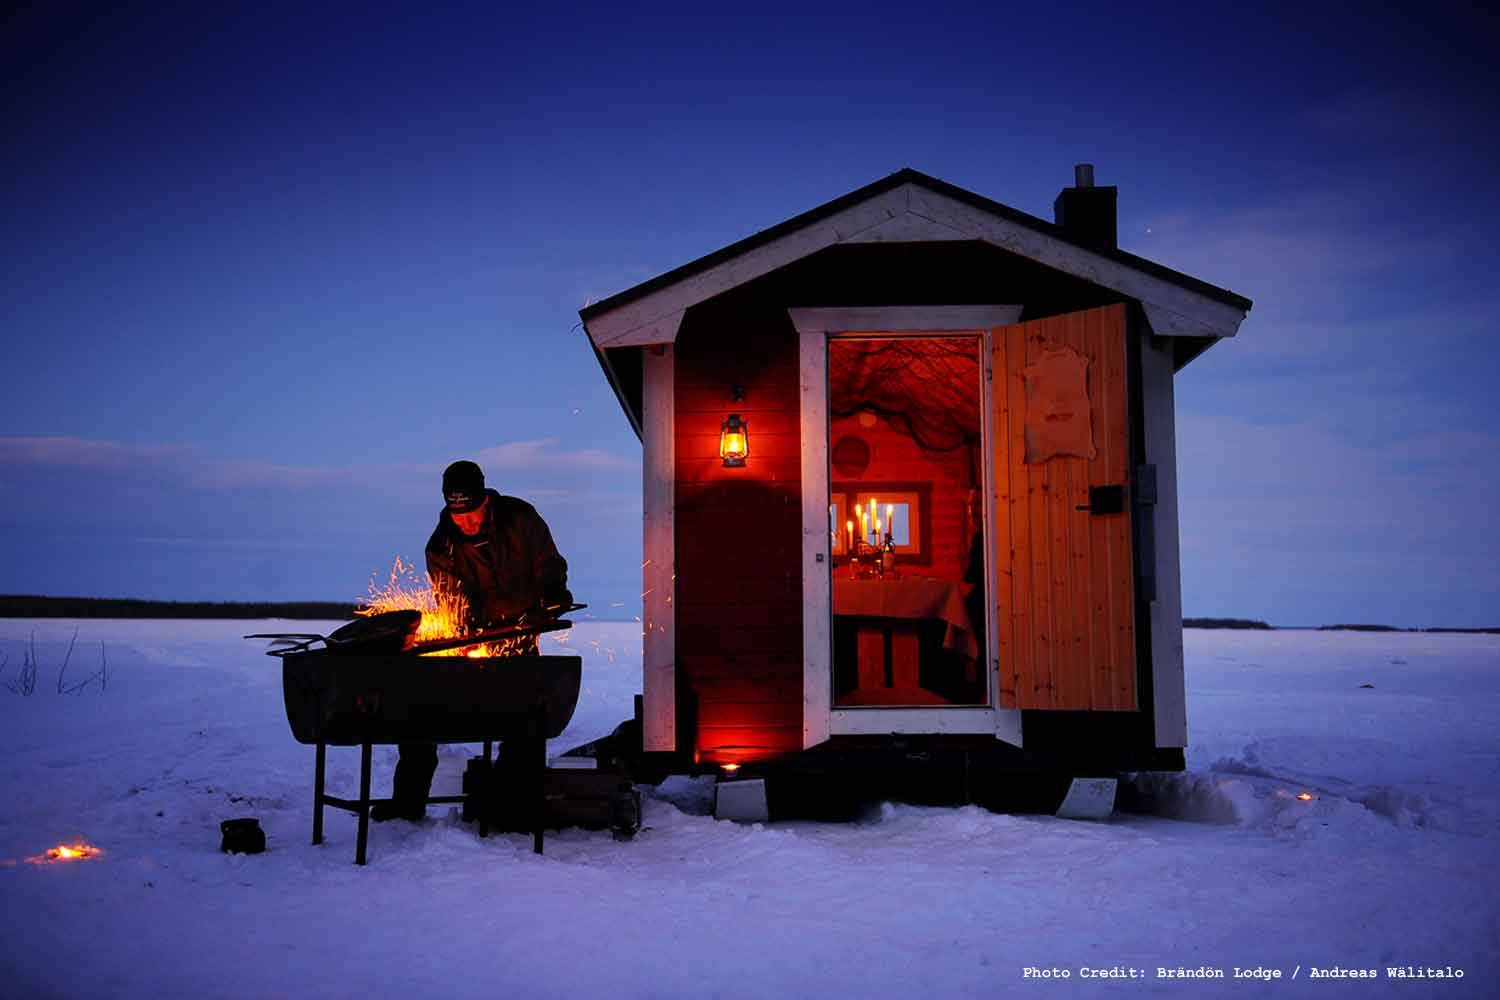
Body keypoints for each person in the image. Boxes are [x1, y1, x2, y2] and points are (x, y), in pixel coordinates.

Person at [372, 459, 572, 822]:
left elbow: (548, 563)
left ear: (486, 501)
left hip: (520, 634)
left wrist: (553, 593)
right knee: (420, 710)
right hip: (476, 639)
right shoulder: (441, 546)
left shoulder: (520, 518)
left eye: (473, 513)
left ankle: (512, 806)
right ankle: (407, 805)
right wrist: (468, 628)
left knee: (523, 717)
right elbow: (452, 599)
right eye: (458, 515)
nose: (467, 522)